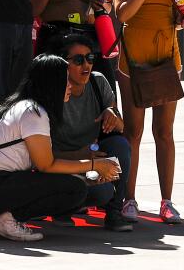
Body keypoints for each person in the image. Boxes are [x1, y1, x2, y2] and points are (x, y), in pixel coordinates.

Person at [0, 55, 119, 242]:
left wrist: (88, 169)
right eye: (65, 80)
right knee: (75, 189)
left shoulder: (26, 105)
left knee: (82, 185)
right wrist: (94, 165)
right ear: (51, 83)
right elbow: (46, 165)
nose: (70, 85)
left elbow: (42, 162)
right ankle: (8, 219)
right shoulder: (33, 112)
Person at [112, 0, 184, 225]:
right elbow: (122, 13)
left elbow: (181, 12)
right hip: (134, 56)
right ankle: (129, 199)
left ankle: (167, 201)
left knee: (165, 132)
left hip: (167, 54)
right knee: (133, 132)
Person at [49, 32, 132, 232]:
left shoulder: (98, 82)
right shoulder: (50, 90)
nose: (86, 65)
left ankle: (114, 212)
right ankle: (61, 209)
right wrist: (82, 157)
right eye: (78, 60)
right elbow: (40, 158)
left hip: (89, 160)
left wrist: (112, 114)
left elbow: (121, 127)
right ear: (62, 63)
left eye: (90, 58)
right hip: (58, 166)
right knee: (93, 190)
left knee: (119, 145)